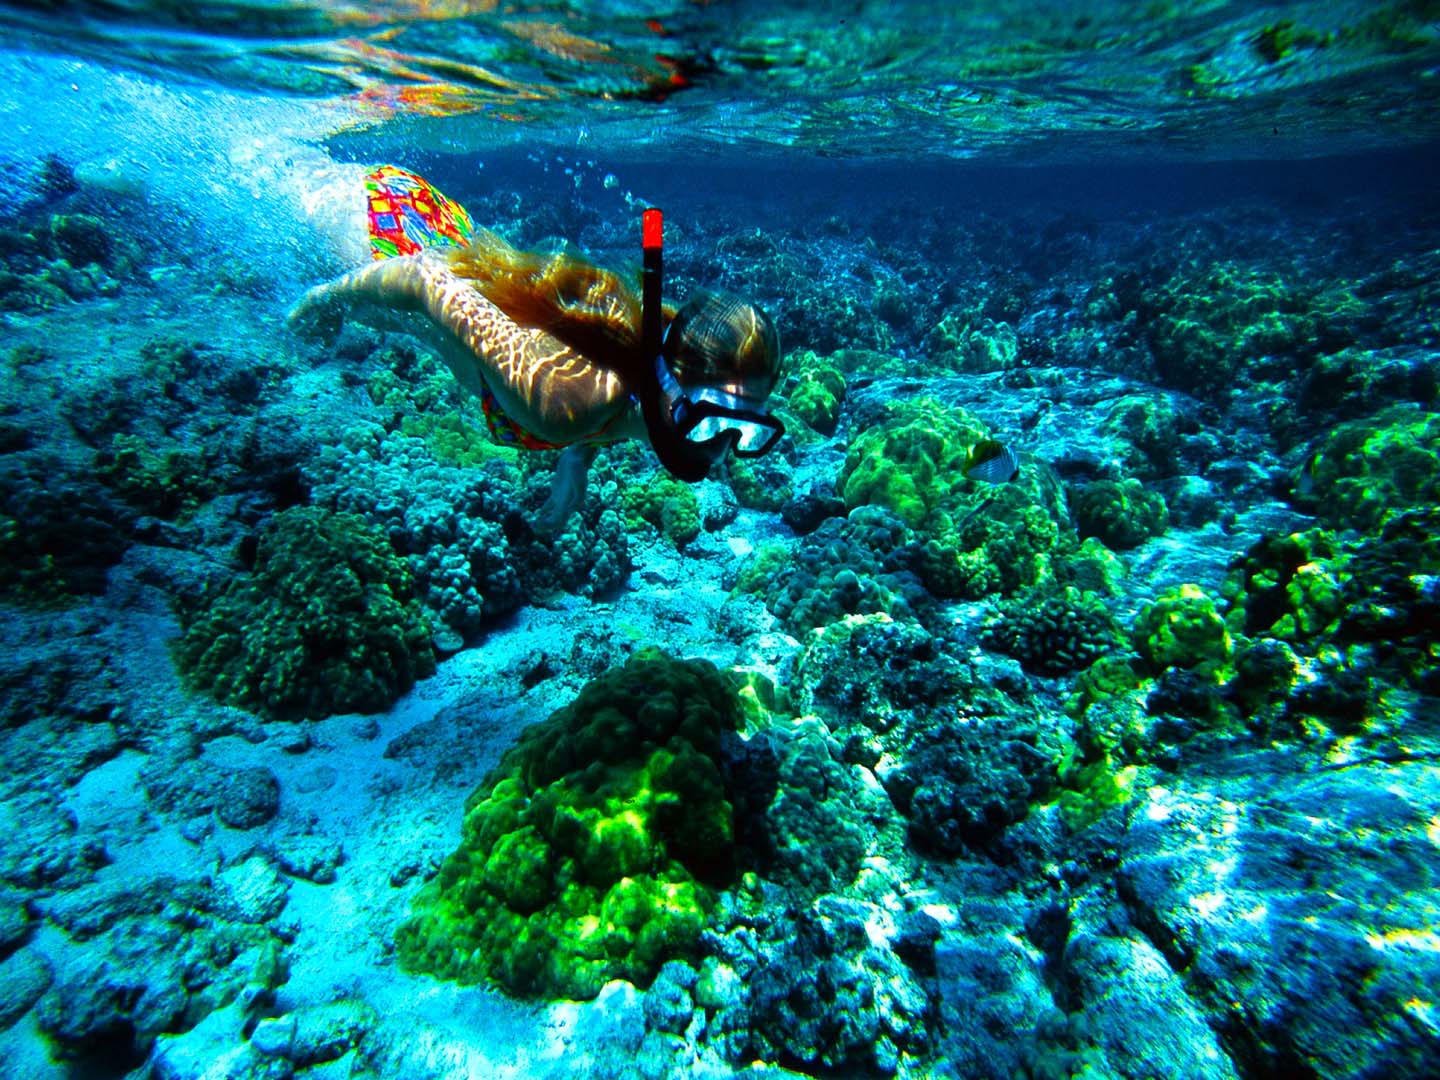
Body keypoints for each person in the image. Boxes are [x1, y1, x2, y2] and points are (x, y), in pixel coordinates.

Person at [287, 164, 785, 529]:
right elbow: (423, 275)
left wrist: (574, 462)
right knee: (271, 178)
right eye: (718, 419)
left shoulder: (635, 383)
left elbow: (621, 406)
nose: (725, 451)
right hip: (379, 234)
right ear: (666, 379)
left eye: (747, 430)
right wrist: (325, 298)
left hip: (431, 233)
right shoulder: (561, 404)